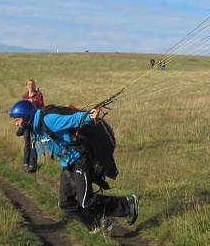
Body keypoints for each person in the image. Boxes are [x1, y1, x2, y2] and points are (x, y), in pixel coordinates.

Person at [10, 100, 139, 233]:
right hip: (68, 164)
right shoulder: (35, 128)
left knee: (85, 201)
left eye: (17, 119)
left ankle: (128, 205)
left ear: (26, 116)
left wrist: (89, 117)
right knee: (66, 203)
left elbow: (73, 119)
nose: (16, 123)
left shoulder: (48, 120)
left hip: (79, 160)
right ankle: (97, 224)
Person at [21, 80, 44, 172]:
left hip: (35, 121)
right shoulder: (24, 96)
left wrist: (34, 103)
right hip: (26, 122)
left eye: (32, 84)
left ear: (34, 86)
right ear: (26, 86)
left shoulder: (38, 95)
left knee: (33, 143)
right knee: (27, 142)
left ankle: (32, 164)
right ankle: (25, 163)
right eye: (29, 84)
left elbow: (42, 107)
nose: (30, 86)